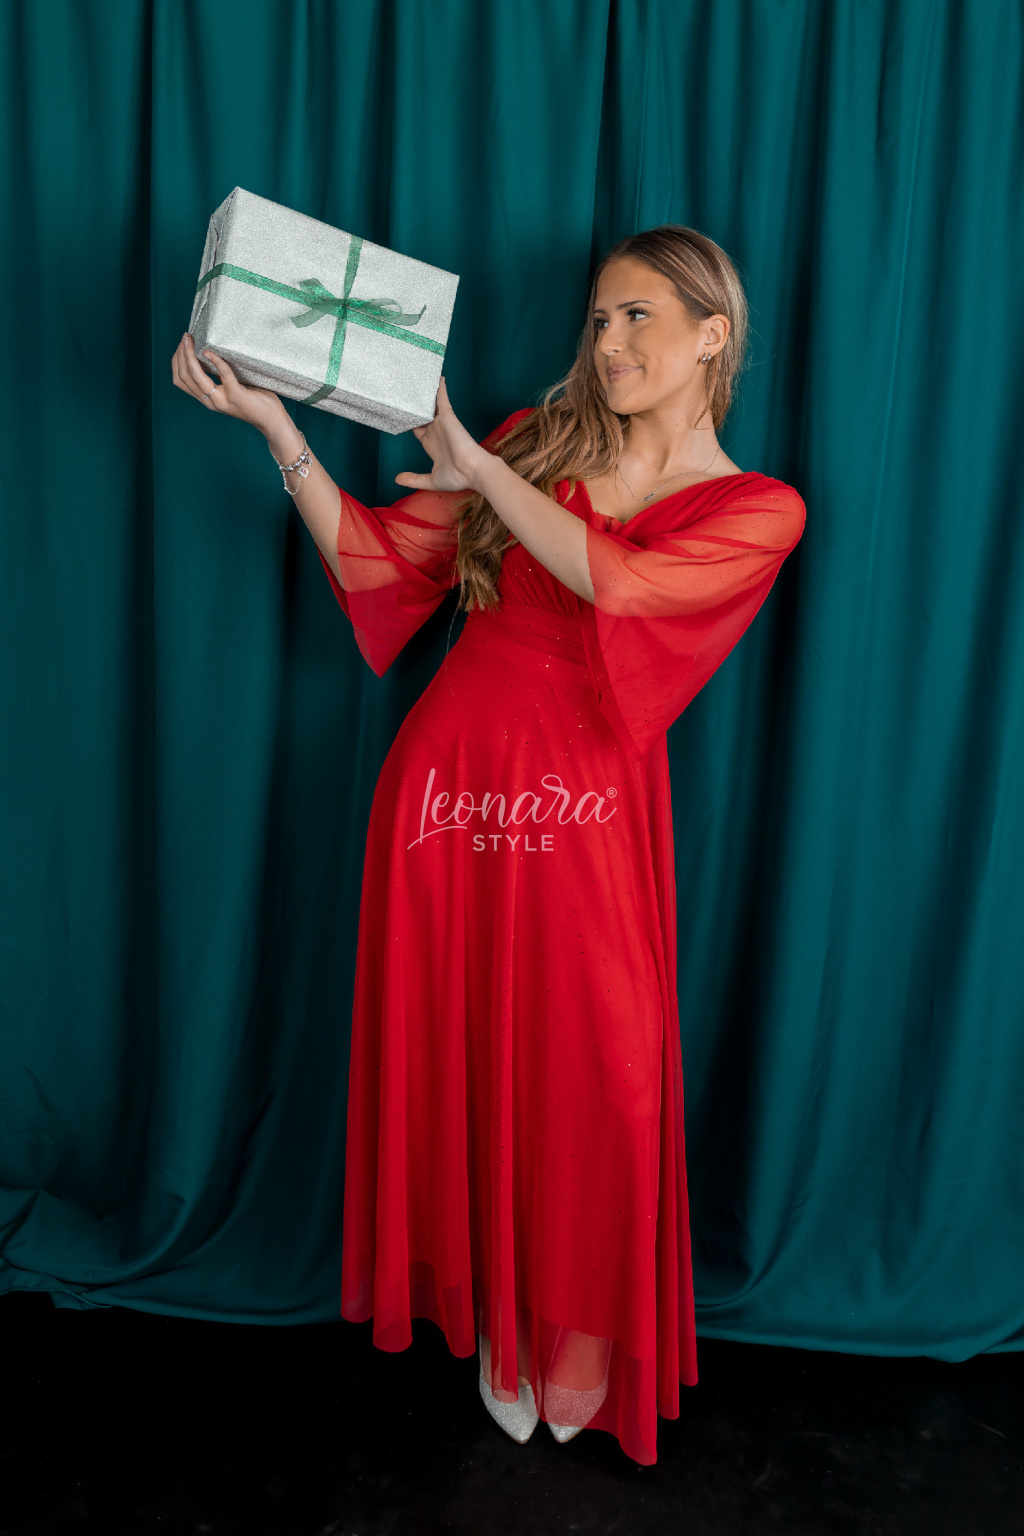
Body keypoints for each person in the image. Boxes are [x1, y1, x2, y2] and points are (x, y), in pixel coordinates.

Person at [171, 225, 805, 1465]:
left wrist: (473, 463)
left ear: (711, 335)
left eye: (637, 316)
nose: (607, 340)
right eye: (599, 318)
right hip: (447, 792)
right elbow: (378, 565)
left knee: (601, 1077)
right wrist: (277, 432)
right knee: (471, 1059)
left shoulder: (756, 507)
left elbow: (621, 588)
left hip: (585, 817)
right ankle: (503, 1339)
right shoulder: (533, 440)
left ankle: (573, 1340)